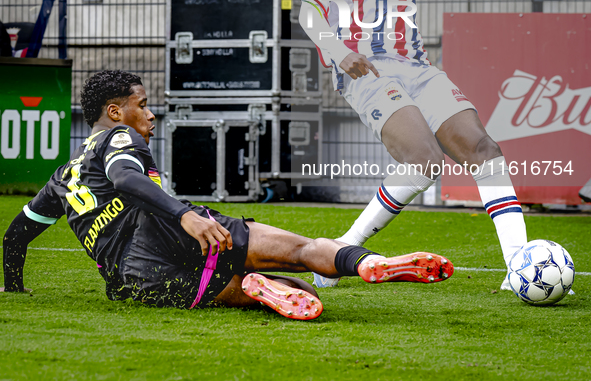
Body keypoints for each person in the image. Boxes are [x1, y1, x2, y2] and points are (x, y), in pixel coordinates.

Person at [0, 70, 454, 320]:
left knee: (287, 290)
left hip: (136, 276)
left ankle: (254, 290)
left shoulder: (61, 178)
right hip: (174, 230)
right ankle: (369, 262)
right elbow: (124, 179)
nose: (152, 114)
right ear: (115, 111)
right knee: (300, 251)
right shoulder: (119, 139)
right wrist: (185, 216)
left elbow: (16, 236)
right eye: (143, 104)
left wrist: (14, 286)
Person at [298, 0, 528, 290]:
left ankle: (519, 268)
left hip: (416, 65)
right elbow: (308, 5)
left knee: (485, 150)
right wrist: (336, 50)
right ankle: (345, 248)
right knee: (424, 162)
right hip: (366, 68)